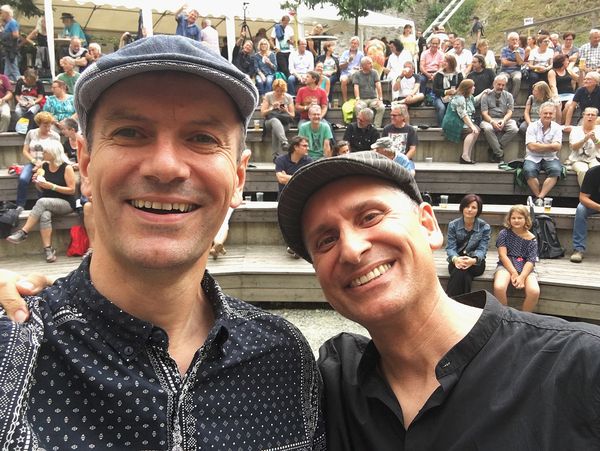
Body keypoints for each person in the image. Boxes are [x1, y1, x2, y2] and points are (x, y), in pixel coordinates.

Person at [0, 35, 325, 449]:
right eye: (131, 131)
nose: (166, 167)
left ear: (239, 177)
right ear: (84, 161)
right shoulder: (13, 344)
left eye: (203, 138)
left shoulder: (285, 359)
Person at [276, 151, 600, 450]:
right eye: (326, 240)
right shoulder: (331, 383)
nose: (350, 249)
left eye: (370, 216)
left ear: (428, 225)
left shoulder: (581, 366)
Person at [7, 140, 76, 263]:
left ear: (53, 152)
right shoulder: (44, 166)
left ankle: (23, 232)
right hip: (49, 201)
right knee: (45, 215)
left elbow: (72, 190)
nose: (42, 153)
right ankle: (48, 250)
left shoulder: (67, 167)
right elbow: (42, 188)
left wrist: (51, 186)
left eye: (45, 151)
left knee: (42, 202)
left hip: (65, 203)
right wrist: (38, 183)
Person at [493, 204, 540, 312]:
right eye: (513, 218)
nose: (516, 220)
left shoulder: (532, 239)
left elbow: (531, 260)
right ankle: (505, 315)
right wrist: (514, 273)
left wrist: (522, 277)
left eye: (520, 218)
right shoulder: (503, 234)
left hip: (525, 267)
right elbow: (502, 255)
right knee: (499, 287)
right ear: (509, 219)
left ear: (526, 219)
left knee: (534, 291)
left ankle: (523, 317)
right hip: (506, 265)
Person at [445, 193, 490, 297]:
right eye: (467, 206)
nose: (469, 209)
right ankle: (464, 302)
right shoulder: (453, 225)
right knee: (463, 273)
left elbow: (482, 249)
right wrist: (456, 259)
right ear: (462, 208)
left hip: (476, 262)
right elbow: (450, 247)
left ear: (478, 210)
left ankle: (450, 299)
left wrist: (473, 260)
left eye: (473, 207)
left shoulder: (484, 227)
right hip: (457, 260)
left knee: (461, 271)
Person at [15, 111, 61, 210]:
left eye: (49, 126)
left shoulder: (55, 136)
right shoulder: (31, 133)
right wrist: (34, 161)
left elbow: (57, 153)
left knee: (41, 180)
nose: (48, 129)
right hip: (33, 162)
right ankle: (20, 205)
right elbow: (25, 151)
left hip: (48, 164)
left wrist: (43, 163)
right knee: (23, 179)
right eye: (45, 126)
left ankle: (42, 205)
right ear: (39, 124)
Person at [524, 102, 563, 206]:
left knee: (556, 170)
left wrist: (539, 146)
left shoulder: (557, 128)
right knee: (529, 170)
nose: (548, 115)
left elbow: (558, 147)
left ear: (554, 114)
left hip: (551, 157)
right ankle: (538, 196)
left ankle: (540, 197)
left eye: (550, 113)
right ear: (540, 113)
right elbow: (531, 147)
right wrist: (550, 146)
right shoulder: (532, 126)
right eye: (545, 113)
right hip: (532, 156)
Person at [480, 74, 519, 163]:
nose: (501, 87)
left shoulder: (509, 96)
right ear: (494, 83)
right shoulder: (486, 95)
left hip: (504, 118)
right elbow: (484, 113)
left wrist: (504, 120)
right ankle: (499, 153)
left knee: (514, 129)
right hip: (489, 119)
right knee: (488, 128)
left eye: (503, 85)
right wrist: (492, 121)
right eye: (499, 84)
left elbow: (510, 111)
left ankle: (495, 147)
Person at [442, 79, 480, 164]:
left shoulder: (468, 97)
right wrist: (472, 126)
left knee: (477, 131)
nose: (474, 88)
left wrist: (484, 93)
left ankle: (467, 156)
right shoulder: (459, 98)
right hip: (453, 122)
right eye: (472, 86)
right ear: (468, 88)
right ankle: (464, 156)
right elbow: (463, 115)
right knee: (473, 131)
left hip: (459, 120)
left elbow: (475, 100)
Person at [570, 162, 600, 263]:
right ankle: (578, 249)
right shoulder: (593, 172)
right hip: (593, 204)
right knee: (580, 209)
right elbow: (583, 198)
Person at [261, 78, 295, 160]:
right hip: (270, 121)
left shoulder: (288, 97)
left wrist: (285, 110)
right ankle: (284, 142)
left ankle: (276, 157)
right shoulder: (268, 96)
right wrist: (272, 107)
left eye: (281, 91)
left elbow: (292, 115)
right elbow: (263, 113)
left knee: (275, 130)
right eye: (277, 91)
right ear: (274, 89)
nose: (279, 93)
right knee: (275, 121)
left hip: (284, 123)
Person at [567, 107, 600, 186]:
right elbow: (573, 147)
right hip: (577, 159)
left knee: (596, 170)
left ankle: (595, 195)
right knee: (583, 171)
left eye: (593, 115)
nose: (590, 117)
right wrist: (584, 139)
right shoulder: (575, 130)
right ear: (583, 116)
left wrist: (595, 140)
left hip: (594, 159)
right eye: (588, 114)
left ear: (596, 117)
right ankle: (585, 194)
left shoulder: (599, 130)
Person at [382, 103, 417, 172]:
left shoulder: (410, 130)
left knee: (411, 173)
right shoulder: (386, 129)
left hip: (406, 159)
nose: (392, 117)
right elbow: (383, 148)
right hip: (389, 160)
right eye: (391, 115)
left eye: (394, 115)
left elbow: (413, 150)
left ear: (402, 117)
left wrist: (402, 160)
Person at [353, 56, 385, 128]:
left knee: (381, 107)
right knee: (358, 107)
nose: (372, 64)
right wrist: (357, 98)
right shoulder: (357, 74)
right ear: (363, 65)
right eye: (369, 63)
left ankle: (376, 126)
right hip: (362, 99)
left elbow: (378, 85)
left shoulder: (375, 73)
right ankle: (360, 126)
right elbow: (356, 87)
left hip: (373, 99)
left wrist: (380, 99)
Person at [432, 53, 463, 126]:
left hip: (455, 96)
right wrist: (446, 92)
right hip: (439, 97)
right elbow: (434, 90)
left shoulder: (458, 74)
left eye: (446, 61)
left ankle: (453, 126)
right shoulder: (439, 74)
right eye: (443, 61)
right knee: (441, 107)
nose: (444, 63)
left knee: (453, 106)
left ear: (451, 63)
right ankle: (441, 127)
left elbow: (461, 87)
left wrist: (455, 92)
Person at [499, 32, 525, 100]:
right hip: (505, 70)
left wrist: (516, 51)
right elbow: (504, 62)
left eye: (516, 40)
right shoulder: (504, 50)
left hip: (516, 70)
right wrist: (515, 62)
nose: (515, 41)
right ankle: (506, 98)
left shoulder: (521, 50)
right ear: (508, 41)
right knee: (502, 79)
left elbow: (520, 63)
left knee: (517, 79)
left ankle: (512, 99)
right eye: (513, 40)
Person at [339, 36, 364, 103]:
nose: (353, 45)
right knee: (343, 80)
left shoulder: (360, 54)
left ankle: (358, 99)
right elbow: (341, 66)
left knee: (357, 77)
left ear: (358, 45)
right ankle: (345, 101)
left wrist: (358, 68)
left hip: (356, 74)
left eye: (355, 43)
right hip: (346, 73)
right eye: (352, 43)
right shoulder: (345, 53)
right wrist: (348, 61)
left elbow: (363, 67)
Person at [0, 4, 20, 82]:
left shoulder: (12, 22)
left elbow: (16, 35)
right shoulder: (7, 23)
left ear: (6, 13)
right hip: (7, 48)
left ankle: (19, 82)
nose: (1, 15)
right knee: (8, 67)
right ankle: (6, 81)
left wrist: (5, 36)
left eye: (2, 13)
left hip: (11, 48)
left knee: (13, 67)